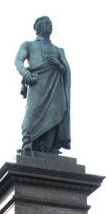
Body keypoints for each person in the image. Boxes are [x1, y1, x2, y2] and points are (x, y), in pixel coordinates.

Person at [15, 16, 71, 154]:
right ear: (38, 27)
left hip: (55, 86)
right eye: (47, 24)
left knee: (55, 113)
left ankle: (49, 146)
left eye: (51, 24)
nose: (50, 26)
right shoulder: (28, 45)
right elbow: (18, 60)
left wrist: (58, 64)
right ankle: (27, 142)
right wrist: (26, 74)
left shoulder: (58, 50)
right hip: (37, 83)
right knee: (31, 113)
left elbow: (65, 71)